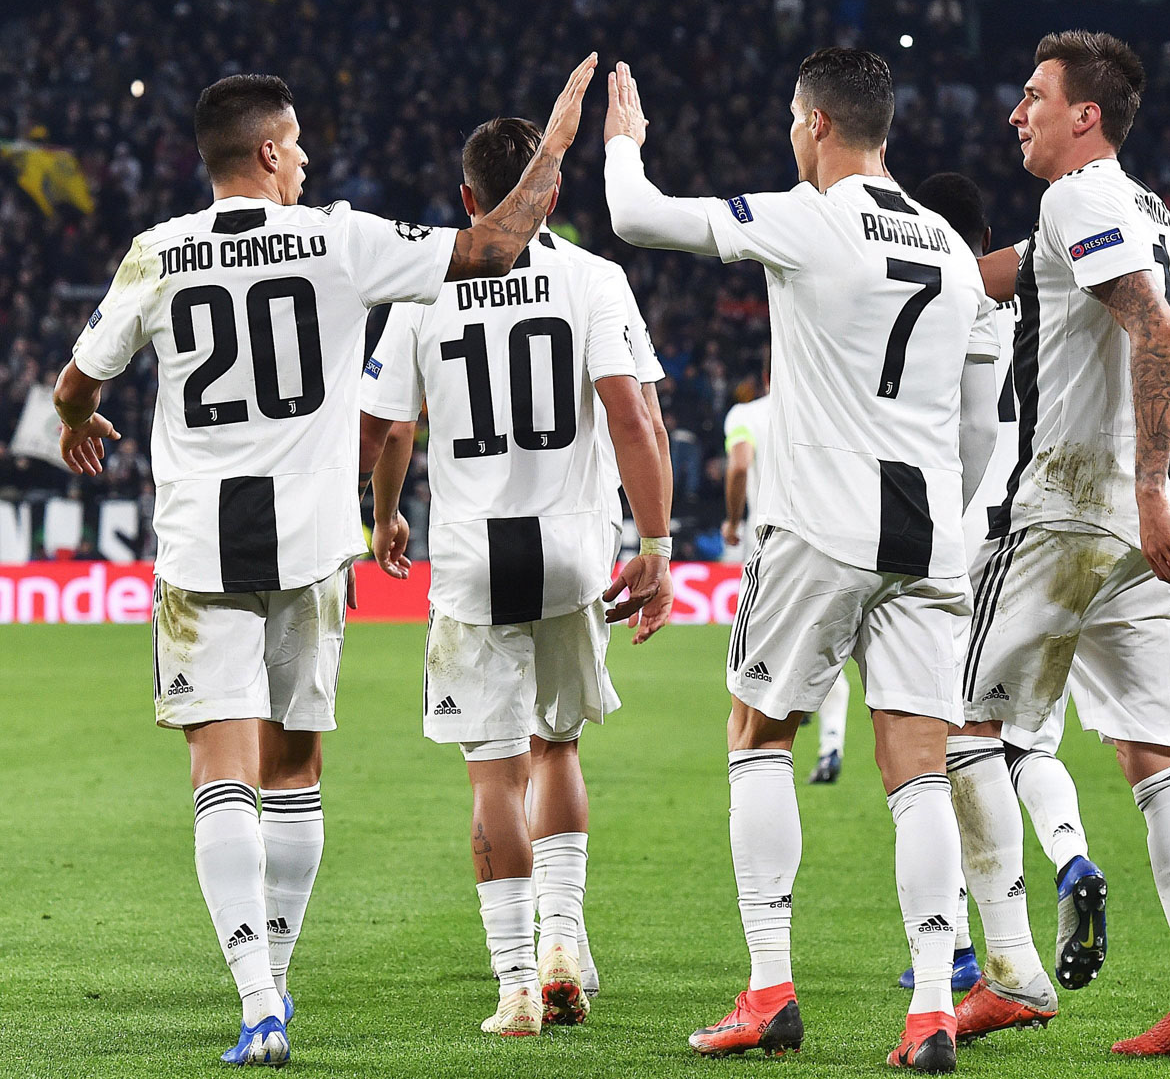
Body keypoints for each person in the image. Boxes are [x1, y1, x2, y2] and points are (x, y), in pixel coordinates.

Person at [51, 57, 598, 1065]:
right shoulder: (344, 240)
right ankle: (280, 978)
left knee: (220, 771)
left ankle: (258, 1000)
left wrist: (83, 421)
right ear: (266, 151)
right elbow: (497, 245)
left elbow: (75, 382)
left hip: (200, 549)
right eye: (295, 143)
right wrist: (556, 145)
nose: (305, 158)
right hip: (309, 550)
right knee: (295, 772)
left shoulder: (157, 254)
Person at [605, 51, 1001, 1072]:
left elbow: (639, 215)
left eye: (794, 123)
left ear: (817, 125)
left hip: (817, 523)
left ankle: (771, 986)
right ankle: (928, 1010)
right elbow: (968, 431)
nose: (792, 138)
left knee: (757, 735)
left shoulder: (807, 214)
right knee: (917, 772)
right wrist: (941, 529)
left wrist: (622, 138)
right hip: (928, 538)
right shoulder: (952, 251)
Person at [950, 31, 1170, 1057]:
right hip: (1138, 536)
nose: (1017, 113)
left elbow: (1156, 332)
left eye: (1034, 97)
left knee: (962, 728)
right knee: (1155, 756)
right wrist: (895, 259)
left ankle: (1014, 972)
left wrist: (1152, 486)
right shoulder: (1137, 207)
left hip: (1072, 508)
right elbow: (1006, 278)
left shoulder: (1074, 198)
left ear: (1086, 115)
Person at [356, 116, 672, 1038]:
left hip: (471, 554)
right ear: (552, 195)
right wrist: (653, 543)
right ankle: (564, 942)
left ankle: (514, 989)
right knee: (559, 747)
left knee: (493, 772)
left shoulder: (420, 291)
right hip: (573, 547)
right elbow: (632, 416)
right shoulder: (593, 278)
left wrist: (382, 513)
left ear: (465, 203)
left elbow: (388, 429)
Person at [895, 171, 1109, 997]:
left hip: (969, 541)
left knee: (944, 744)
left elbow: (957, 426)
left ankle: (958, 950)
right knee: (1028, 740)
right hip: (1058, 528)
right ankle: (1070, 855)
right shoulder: (1047, 295)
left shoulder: (944, 304)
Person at [722, 366, 851, 785]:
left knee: (757, 666)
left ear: (763, 375)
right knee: (828, 651)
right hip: (835, 543)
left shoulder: (746, 416)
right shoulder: (831, 409)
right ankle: (831, 743)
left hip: (775, 548)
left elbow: (740, 466)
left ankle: (768, 754)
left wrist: (732, 520)